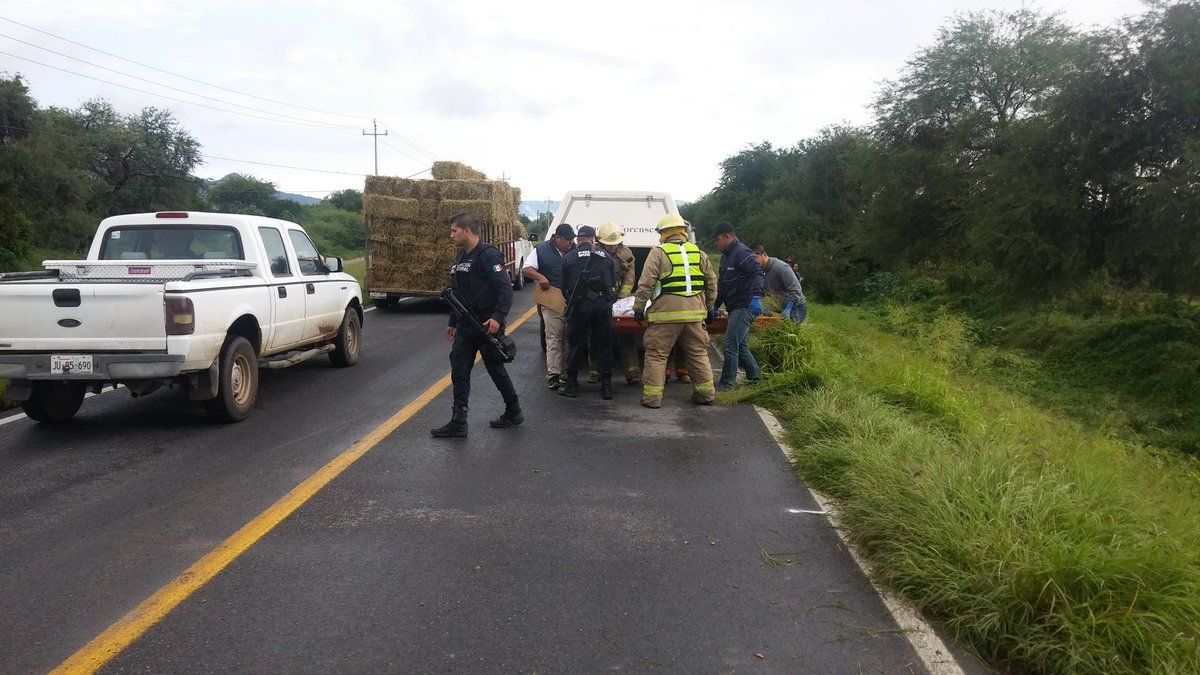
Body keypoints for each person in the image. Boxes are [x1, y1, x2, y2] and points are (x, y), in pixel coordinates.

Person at [431, 212, 521, 438]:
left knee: (495, 369)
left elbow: (505, 289)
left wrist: (497, 318)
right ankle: (458, 421)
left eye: (454, 231)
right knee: (459, 370)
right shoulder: (461, 257)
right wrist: (453, 321)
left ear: (467, 231)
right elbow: (459, 293)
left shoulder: (488, 255)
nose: (451, 235)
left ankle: (514, 411)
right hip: (466, 325)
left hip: (487, 324)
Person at [632, 214, 718, 408]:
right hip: (695, 315)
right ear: (682, 231)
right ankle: (705, 395)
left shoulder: (658, 253)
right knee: (698, 354)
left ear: (663, 233)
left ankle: (652, 399)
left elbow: (646, 284)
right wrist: (710, 308)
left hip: (665, 316)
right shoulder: (698, 252)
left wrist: (638, 308)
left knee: (657, 355)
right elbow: (711, 282)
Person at [558, 225, 617, 399]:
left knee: (576, 344)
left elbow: (563, 287)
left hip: (579, 307)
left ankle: (571, 385)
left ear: (577, 240)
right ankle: (606, 387)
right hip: (602, 307)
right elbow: (612, 285)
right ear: (594, 240)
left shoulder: (569, 258)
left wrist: (573, 301)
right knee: (604, 343)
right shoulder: (606, 257)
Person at [712, 222, 763, 391]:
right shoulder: (726, 256)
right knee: (741, 346)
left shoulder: (742, 252)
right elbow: (723, 284)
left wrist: (756, 297)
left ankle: (727, 384)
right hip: (734, 306)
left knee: (730, 345)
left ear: (727, 236)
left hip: (745, 305)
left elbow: (757, 273)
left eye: (718, 239)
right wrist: (716, 305)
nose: (716, 243)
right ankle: (756, 377)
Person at [523, 223, 575, 390]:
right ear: (557, 238)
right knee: (554, 338)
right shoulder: (542, 250)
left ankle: (567, 373)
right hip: (552, 302)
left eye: (572, 240)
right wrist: (540, 277)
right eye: (567, 240)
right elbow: (526, 269)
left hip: (572, 301)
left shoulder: (574, 250)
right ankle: (554, 374)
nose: (570, 243)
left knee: (570, 338)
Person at [595, 221, 641, 385]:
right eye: (609, 245)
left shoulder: (627, 254)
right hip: (599, 299)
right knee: (596, 336)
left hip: (618, 299)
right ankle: (596, 372)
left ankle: (632, 372)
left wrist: (621, 301)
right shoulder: (594, 253)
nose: (613, 248)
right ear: (601, 242)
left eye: (615, 245)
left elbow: (629, 280)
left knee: (626, 337)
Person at [753, 243, 807, 324]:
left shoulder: (781, 267)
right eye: (751, 259)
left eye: (756, 257)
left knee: (790, 334)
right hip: (779, 306)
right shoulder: (760, 270)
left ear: (764, 255)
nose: (754, 261)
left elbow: (795, 289)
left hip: (795, 306)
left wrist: (788, 308)